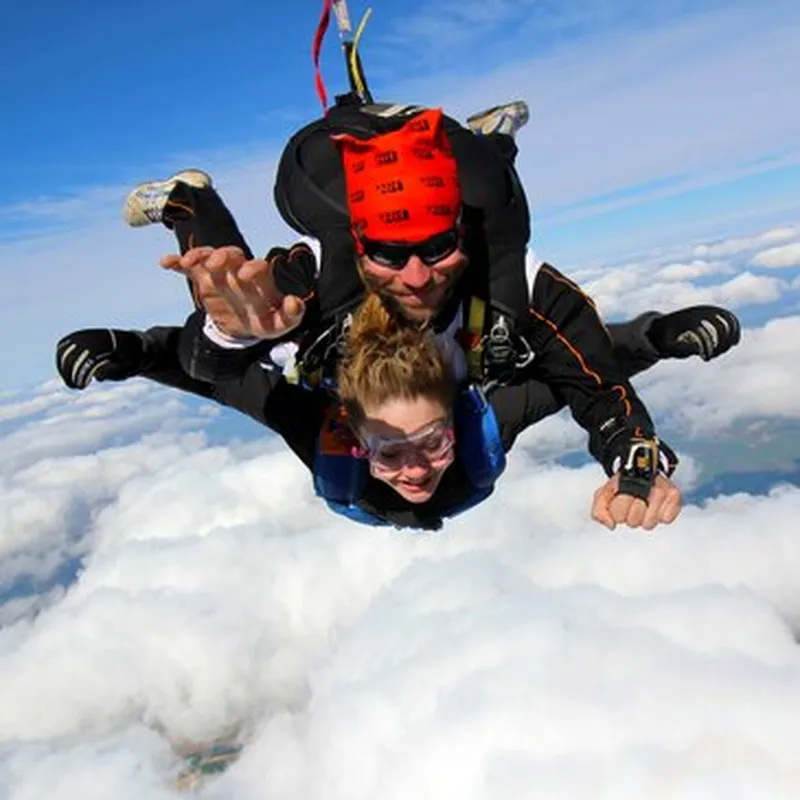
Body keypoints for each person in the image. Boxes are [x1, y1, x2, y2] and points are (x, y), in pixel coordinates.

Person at [56, 291, 683, 532]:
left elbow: (569, 378)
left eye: (432, 442)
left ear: (451, 424)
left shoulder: (476, 433)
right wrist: (135, 350)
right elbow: (225, 383)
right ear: (357, 440)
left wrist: (655, 336)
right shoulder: (324, 433)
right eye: (391, 450)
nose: (415, 469)